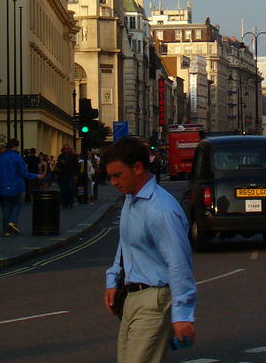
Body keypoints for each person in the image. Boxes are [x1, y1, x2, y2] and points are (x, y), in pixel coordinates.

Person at [103, 137, 196, 362]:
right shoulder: (131, 199)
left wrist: (183, 315)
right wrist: (113, 278)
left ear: (137, 168)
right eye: (110, 177)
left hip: (154, 300)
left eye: (117, 175)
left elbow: (179, 263)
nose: (113, 182)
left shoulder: (160, 210)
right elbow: (125, 243)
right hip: (132, 299)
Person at [0, 138, 43, 235]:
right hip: (16, 185)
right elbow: (24, 173)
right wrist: (36, 175)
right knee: (16, 205)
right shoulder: (18, 158)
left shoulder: (1, 158)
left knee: (6, 208)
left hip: (3, 185)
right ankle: (12, 222)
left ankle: (6, 231)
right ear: (15, 146)